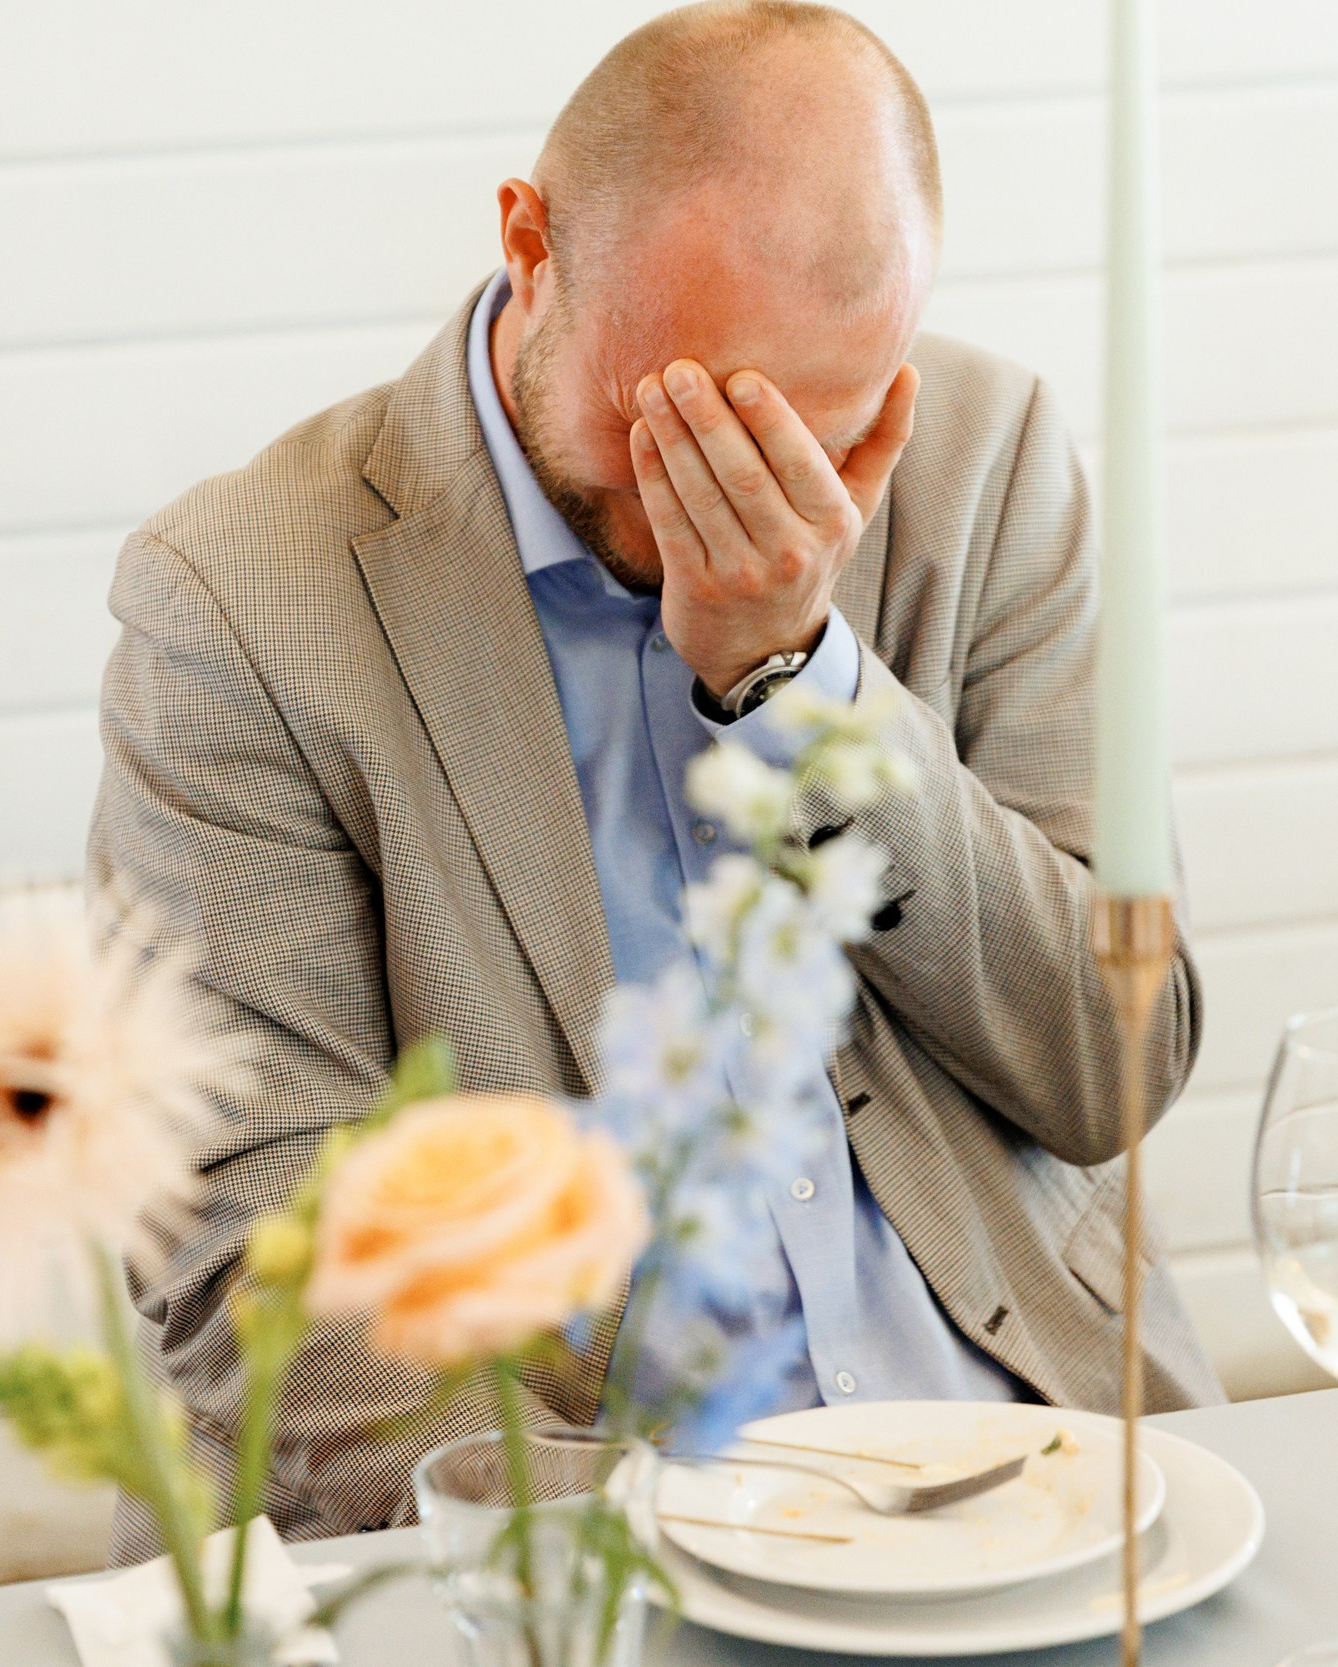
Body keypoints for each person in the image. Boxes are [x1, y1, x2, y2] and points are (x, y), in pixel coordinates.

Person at [89, 0, 1219, 1543]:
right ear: (529, 249)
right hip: (597, 1524)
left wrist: (801, 679)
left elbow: (1109, 1067)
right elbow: (261, 1283)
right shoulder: (240, 603)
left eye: (806, 435)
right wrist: (708, 1534)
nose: (733, 491)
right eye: (667, 413)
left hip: (1027, 1449)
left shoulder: (983, 454)